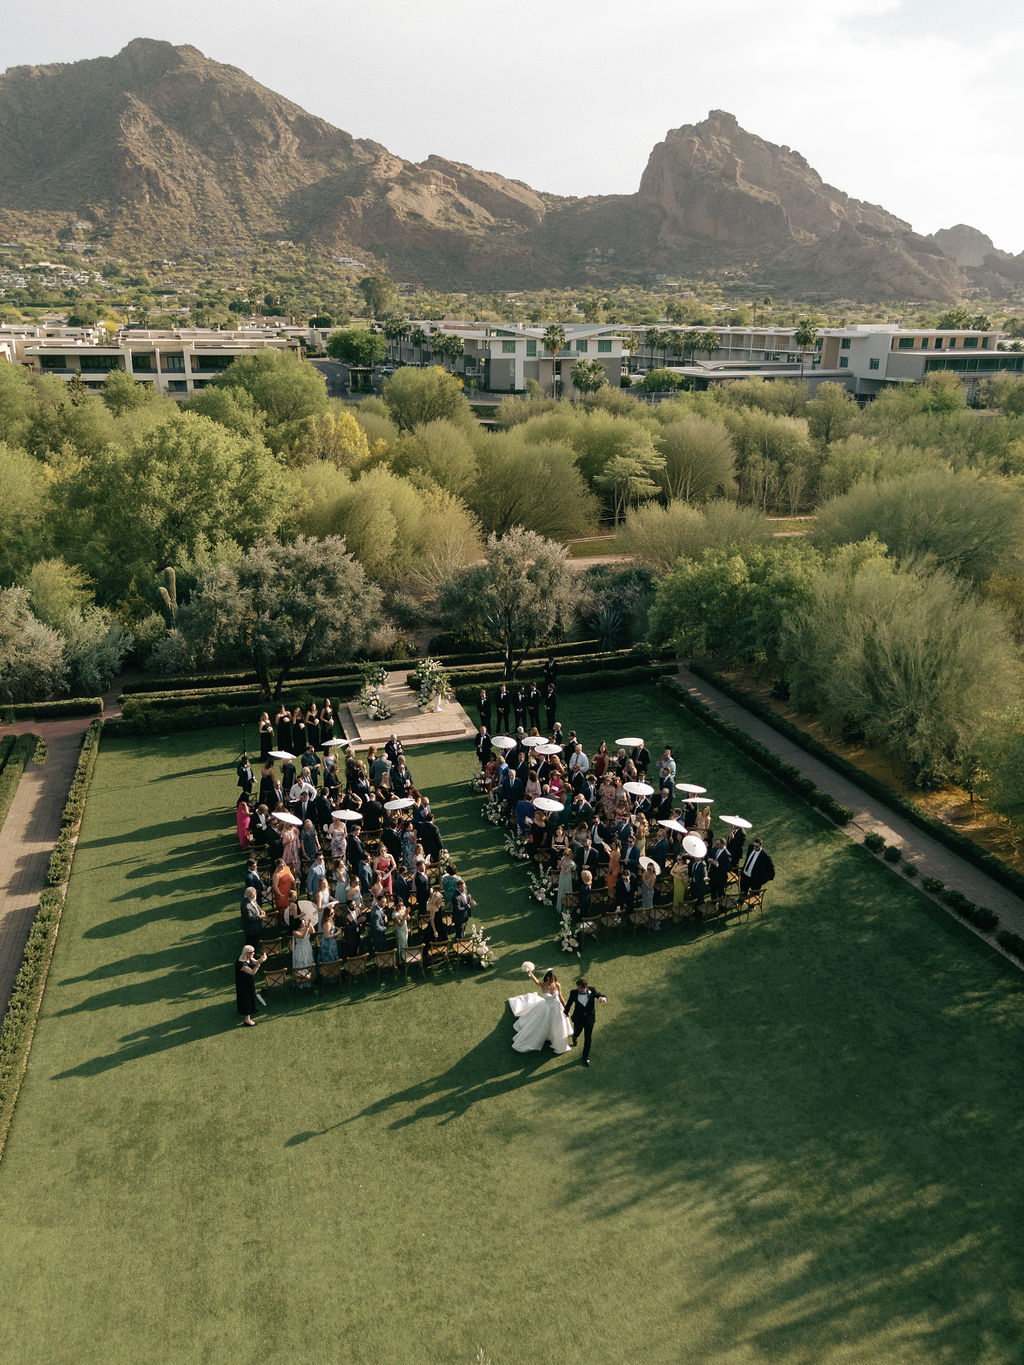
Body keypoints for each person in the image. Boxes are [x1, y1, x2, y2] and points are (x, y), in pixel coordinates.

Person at [508, 969, 573, 1054]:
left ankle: (558, 1042)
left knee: (558, 1025)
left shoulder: (557, 984)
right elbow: (536, 981)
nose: (551, 981)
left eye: (553, 979)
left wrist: (566, 1009)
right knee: (541, 1024)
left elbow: (561, 997)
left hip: (557, 1008)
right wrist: (531, 973)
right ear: (547, 977)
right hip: (547, 1009)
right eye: (550, 979)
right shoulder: (543, 985)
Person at [564, 977, 607, 1066]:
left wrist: (603, 998)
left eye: (580, 988)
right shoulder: (573, 992)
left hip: (589, 1019)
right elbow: (569, 1003)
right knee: (577, 1032)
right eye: (577, 987)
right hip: (578, 1019)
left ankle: (585, 1057)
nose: (578, 989)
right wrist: (565, 1012)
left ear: (585, 987)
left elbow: (601, 995)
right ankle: (574, 1036)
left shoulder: (592, 990)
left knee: (588, 1038)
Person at [235, 944, 267, 1026]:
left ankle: (251, 1011)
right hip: (243, 984)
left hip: (248, 981)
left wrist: (261, 959)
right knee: (246, 999)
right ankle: (247, 1020)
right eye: (251, 952)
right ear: (246, 953)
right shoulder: (242, 964)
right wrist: (258, 964)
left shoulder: (248, 958)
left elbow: (255, 961)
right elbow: (252, 972)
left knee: (250, 996)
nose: (253, 953)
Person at [288, 903, 315, 984]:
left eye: (304, 922)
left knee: (309, 962)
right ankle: (301, 981)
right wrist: (307, 928)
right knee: (302, 964)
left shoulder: (306, 927)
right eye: (302, 922)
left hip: (308, 947)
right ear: (299, 924)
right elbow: (303, 936)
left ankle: (310, 979)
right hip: (300, 949)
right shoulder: (295, 932)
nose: (304, 923)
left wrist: (309, 925)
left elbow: (313, 932)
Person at [555, 848, 575, 913]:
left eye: (567, 855)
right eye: (565, 854)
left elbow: (566, 872)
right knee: (561, 889)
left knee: (566, 889)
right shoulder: (563, 858)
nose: (566, 856)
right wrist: (559, 865)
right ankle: (559, 907)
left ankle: (566, 908)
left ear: (570, 855)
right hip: (562, 876)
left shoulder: (571, 863)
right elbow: (558, 867)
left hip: (567, 877)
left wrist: (561, 865)